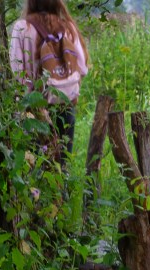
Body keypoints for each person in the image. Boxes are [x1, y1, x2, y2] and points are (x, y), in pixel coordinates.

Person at [9, 0, 88, 164]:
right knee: (62, 165)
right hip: (65, 105)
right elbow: (82, 68)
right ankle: (63, 190)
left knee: (35, 165)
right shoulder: (67, 27)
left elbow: (16, 71)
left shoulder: (22, 27)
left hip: (34, 109)